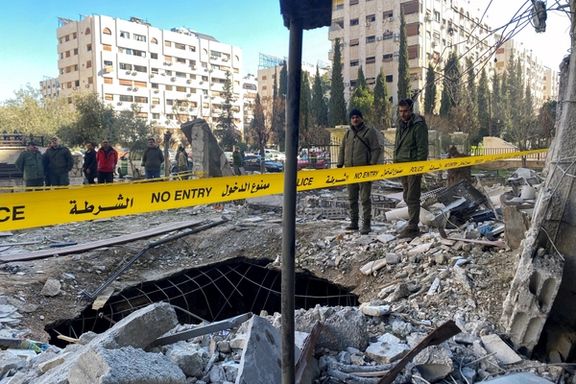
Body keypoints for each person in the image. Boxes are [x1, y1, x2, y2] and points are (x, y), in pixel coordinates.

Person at [337, 108, 382, 234]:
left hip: (363, 171)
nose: (355, 119)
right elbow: (342, 149)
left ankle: (366, 224)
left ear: (361, 118)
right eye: (352, 118)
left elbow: (376, 149)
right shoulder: (348, 133)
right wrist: (340, 164)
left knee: (365, 199)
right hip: (350, 171)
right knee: (352, 198)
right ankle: (354, 222)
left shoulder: (369, 131)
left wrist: (371, 165)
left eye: (357, 117)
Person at [394, 98, 429, 239]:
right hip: (402, 166)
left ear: (411, 110)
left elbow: (422, 148)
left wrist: (419, 167)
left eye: (406, 111)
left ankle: (413, 226)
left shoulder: (418, 125)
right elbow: (398, 144)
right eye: (401, 111)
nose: (403, 114)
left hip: (413, 166)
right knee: (406, 196)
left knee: (412, 196)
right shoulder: (400, 125)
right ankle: (412, 221)